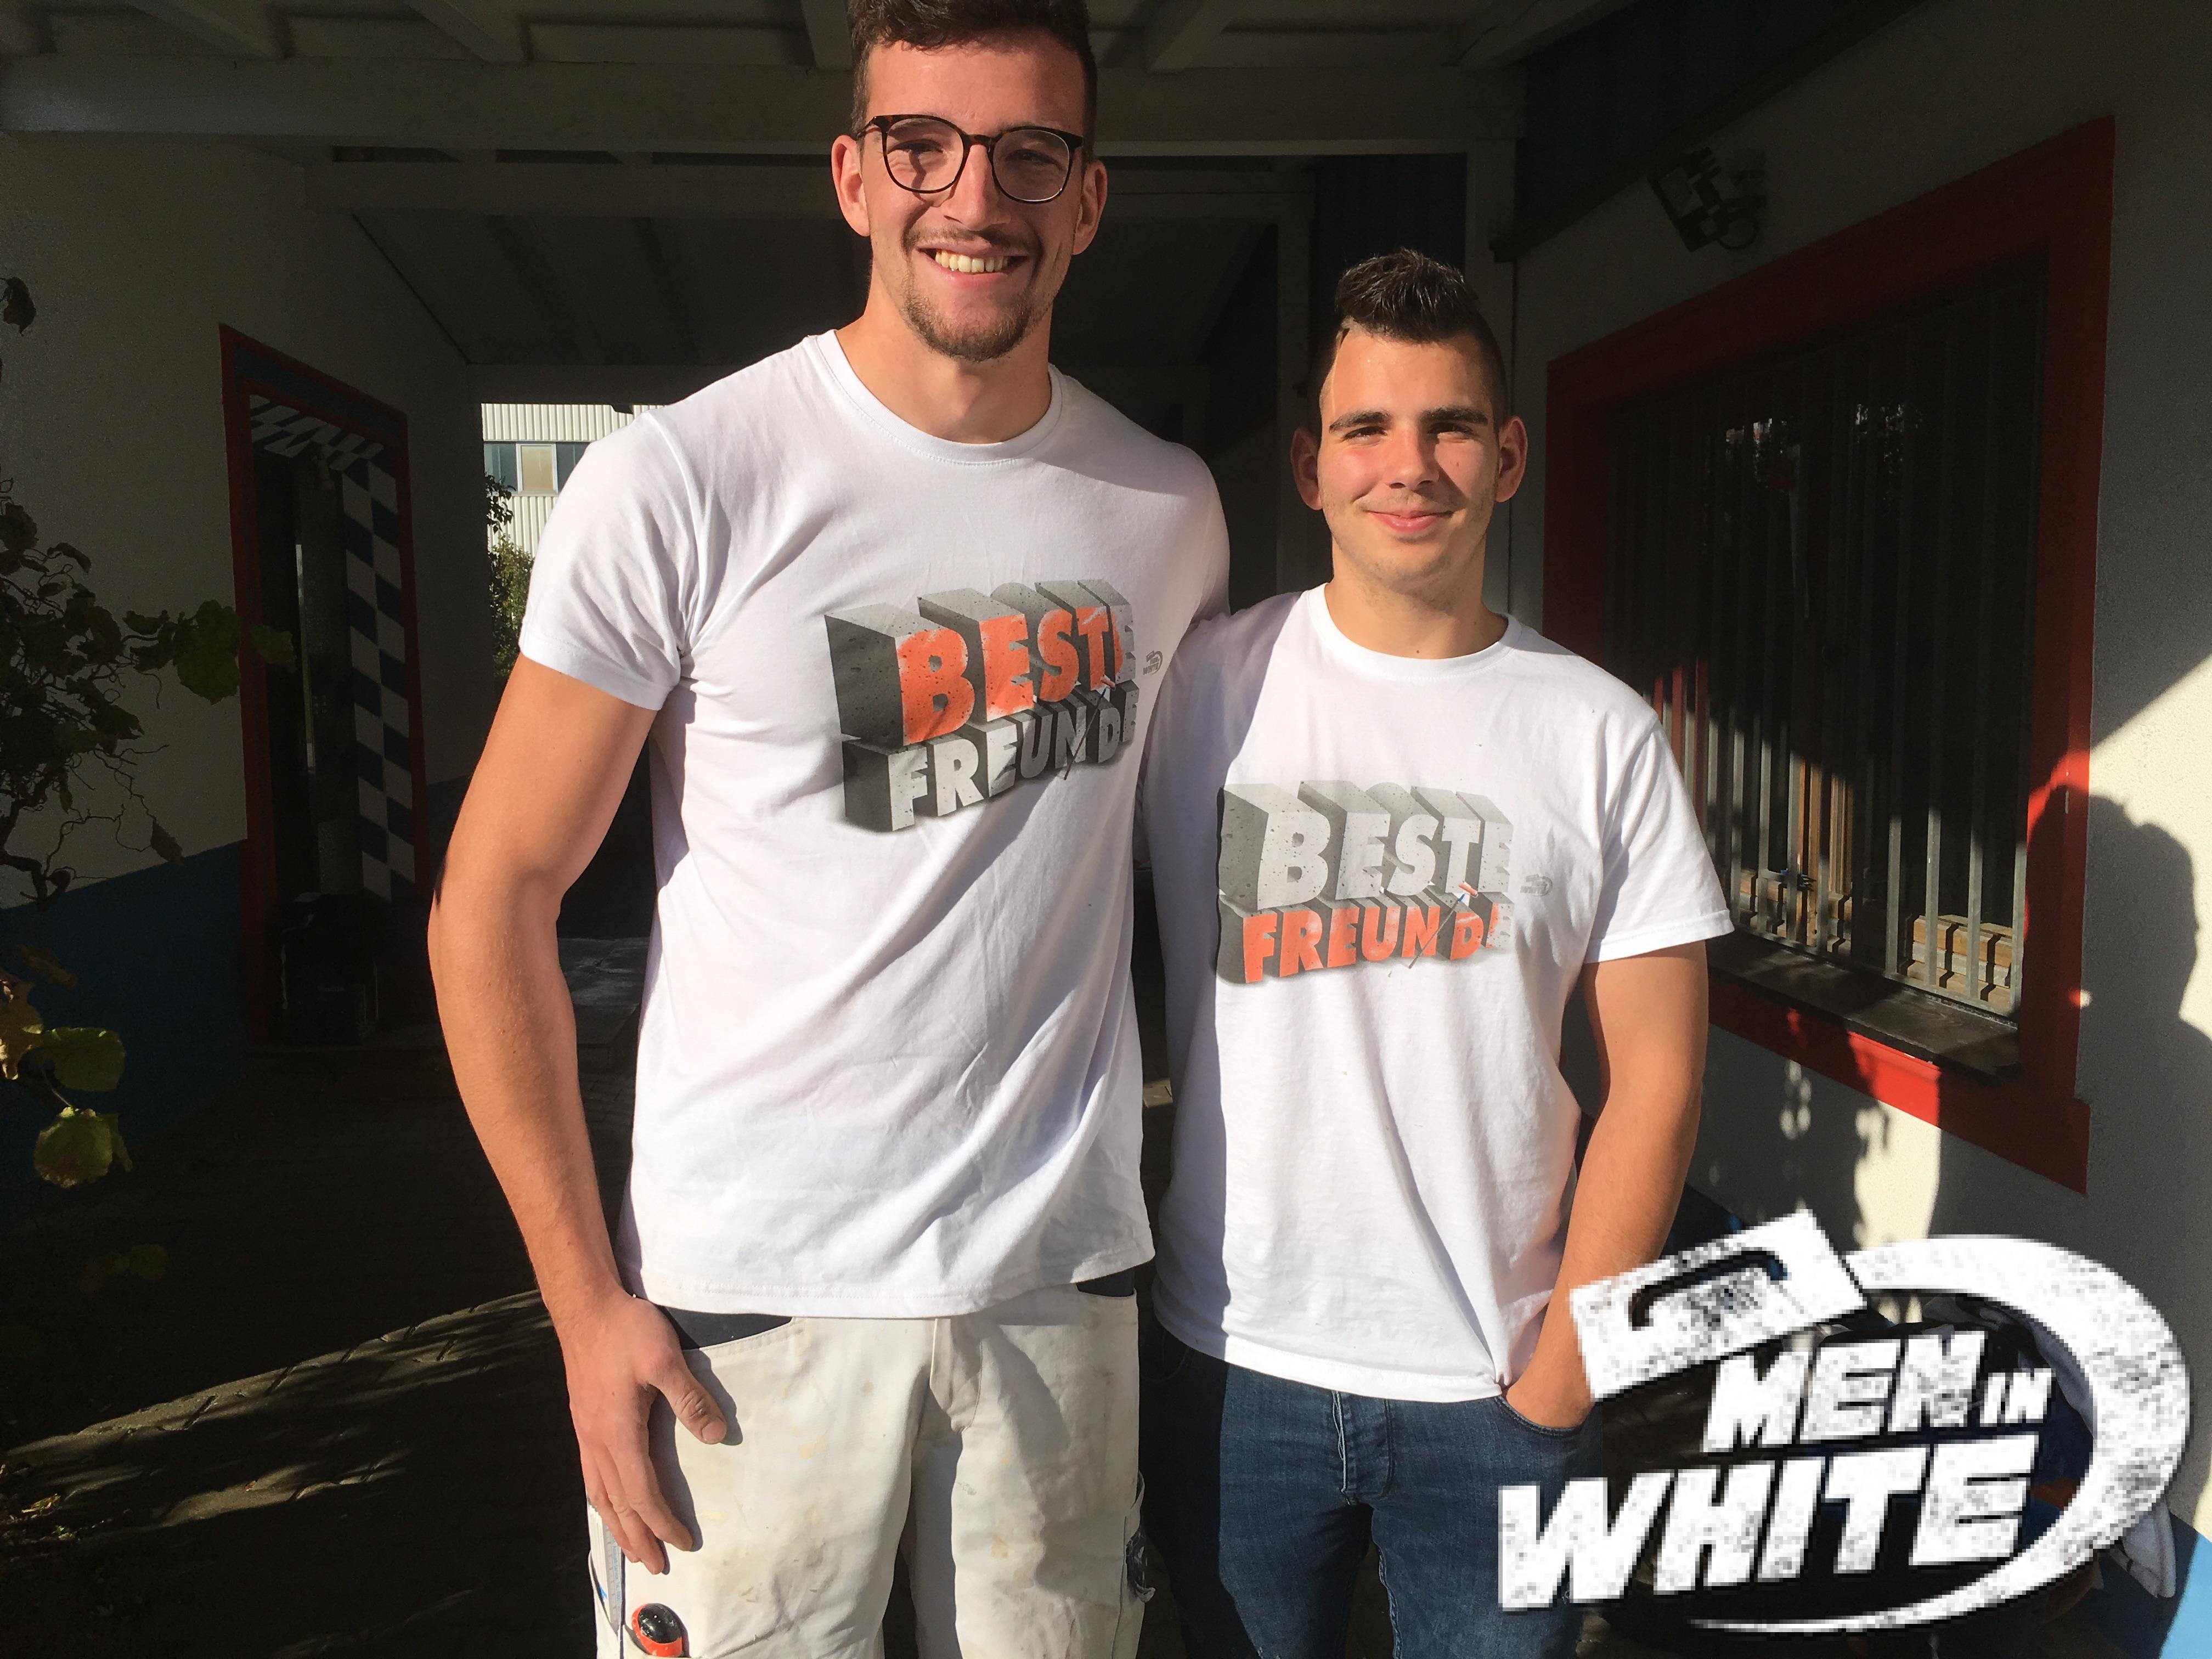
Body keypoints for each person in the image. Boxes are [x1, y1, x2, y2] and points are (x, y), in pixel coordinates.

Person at [427, 0, 1228, 1649]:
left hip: (1055, 1282)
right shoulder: (684, 480)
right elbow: (493, 898)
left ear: (1088, 199)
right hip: (747, 1301)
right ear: (855, 177)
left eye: (1029, 154)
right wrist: (582, 1309)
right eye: (924, 147)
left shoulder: (1167, 508)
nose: (975, 198)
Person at [1136, 249, 1729, 1658]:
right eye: (1367, 429)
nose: (1410, 467)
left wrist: (1568, 1372)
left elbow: (1658, 1083)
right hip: (1232, 1365)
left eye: (1450, 427)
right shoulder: (1196, 689)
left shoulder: (1597, 732)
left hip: (1496, 1378)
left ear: (1509, 455)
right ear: (1309, 466)